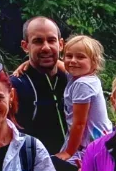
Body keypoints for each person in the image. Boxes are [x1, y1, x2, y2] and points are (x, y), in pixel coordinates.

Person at [56, 34, 111, 171]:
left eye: (80, 57)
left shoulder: (83, 85)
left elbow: (79, 123)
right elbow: (62, 65)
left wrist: (67, 153)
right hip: (94, 142)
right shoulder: (80, 76)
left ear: (94, 63)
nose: (72, 61)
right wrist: (27, 64)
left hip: (89, 147)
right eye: (68, 55)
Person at [10, 16, 71, 158]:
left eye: (51, 40)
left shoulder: (74, 80)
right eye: (38, 41)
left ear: (61, 44)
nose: (46, 47)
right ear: (25, 46)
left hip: (78, 167)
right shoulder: (15, 86)